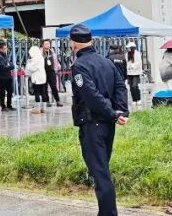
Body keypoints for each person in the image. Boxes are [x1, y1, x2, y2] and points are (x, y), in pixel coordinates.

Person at [69, 25, 129, 216]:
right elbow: (120, 87)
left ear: (73, 44)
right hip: (107, 126)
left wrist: (113, 114)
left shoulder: (79, 66)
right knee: (102, 170)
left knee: (100, 173)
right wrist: (121, 111)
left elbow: (91, 95)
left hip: (92, 124)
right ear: (92, 41)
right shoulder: (107, 62)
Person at [25, 45, 48, 114]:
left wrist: (29, 63)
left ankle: (37, 109)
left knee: (37, 93)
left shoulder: (35, 59)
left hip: (37, 78)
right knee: (43, 92)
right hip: (43, 77)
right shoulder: (41, 57)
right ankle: (44, 108)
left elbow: (32, 69)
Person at [0, 43, 15, 111]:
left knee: (10, 91)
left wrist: (10, 65)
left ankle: (9, 105)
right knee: (2, 92)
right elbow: (3, 68)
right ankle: (3, 106)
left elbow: (9, 63)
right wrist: (11, 67)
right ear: (0, 49)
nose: (6, 49)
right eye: (4, 48)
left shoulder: (4, 55)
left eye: (6, 48)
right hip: (2, 77)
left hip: (8, 76)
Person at [41, 40, 63, 106]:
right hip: (43, 72)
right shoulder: (40, 52)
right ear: (42, 45)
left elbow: (56, 61)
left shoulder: (52, 52)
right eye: (46, 44)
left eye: (48, 44)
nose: (47, 45)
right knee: (44, 87)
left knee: (54, 86)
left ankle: (58, 101)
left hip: (51, 71)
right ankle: (47, 101)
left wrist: (57, 68)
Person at [124, 42, 143, 107]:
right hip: (129, 73)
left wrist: (132, 66)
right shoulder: (127, 54)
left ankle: (138, 99)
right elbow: (126, 63)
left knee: (135, 86)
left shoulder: (137, 54)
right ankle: (134, 99)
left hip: (136, 73)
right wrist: (128, 67)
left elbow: (139, 63)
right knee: (131, 87)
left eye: (129, 48)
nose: (128, 49)